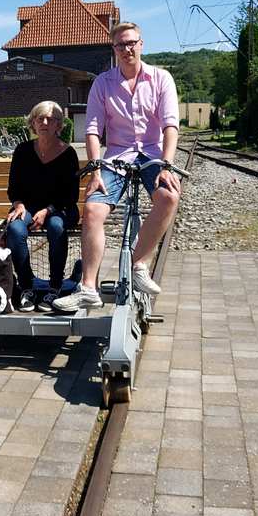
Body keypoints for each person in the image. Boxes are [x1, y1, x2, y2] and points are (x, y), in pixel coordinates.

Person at [53, 22, 181, 312]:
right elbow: (93, 129)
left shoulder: (161, 79)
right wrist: (96, 169)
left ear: (141, 44)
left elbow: (171, 126)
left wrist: (167, 165)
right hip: (116, 157)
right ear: (114, 49)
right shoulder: (103, 83)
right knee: (92, 209)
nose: (128, 49)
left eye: (132, 43)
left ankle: (139, 264)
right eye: (121, 45)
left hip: (151, 154)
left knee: (169, 196)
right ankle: (88, 288)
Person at [6, 101, 80, 312]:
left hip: (61, 208)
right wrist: (18, 204)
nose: (45, 122)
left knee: (56, 227)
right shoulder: (23, 151)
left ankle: (55, 287)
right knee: (15, 228)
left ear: (59, 125)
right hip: (28, 207)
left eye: (51, 119)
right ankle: (26, 286)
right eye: (40, 118)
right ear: (33, 123)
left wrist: (47, 211)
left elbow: (71, 195)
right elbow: (14, 187)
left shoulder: (68, 153)